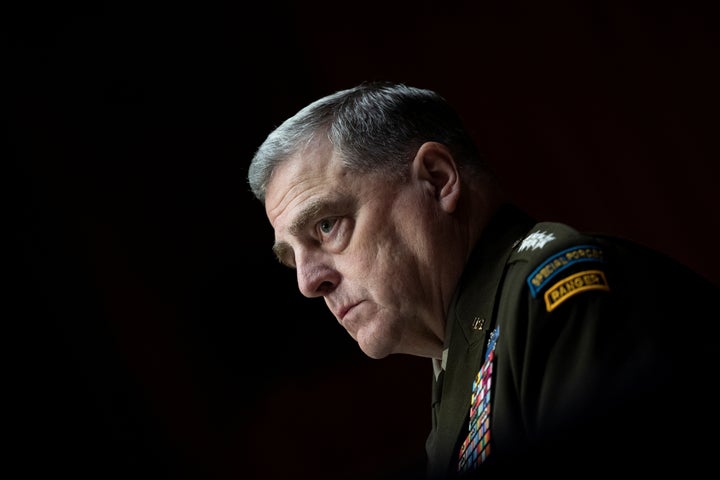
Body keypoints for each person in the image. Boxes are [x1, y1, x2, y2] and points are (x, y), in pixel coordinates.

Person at [247, 81, 718, 478]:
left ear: (436, 180)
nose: (308, 283)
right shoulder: (462, 354)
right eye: (293, 258)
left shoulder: (549, 290)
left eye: (326, 226)